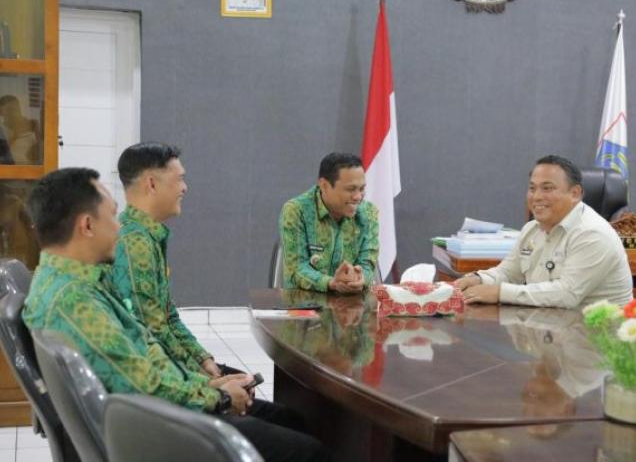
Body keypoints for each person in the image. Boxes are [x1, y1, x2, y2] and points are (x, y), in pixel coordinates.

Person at [23, 168, 329, 462]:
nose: (119, 227)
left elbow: (143, 363)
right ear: (87, 226)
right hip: (155, 433)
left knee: (290, 420)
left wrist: (209, 385)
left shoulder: (64, 281)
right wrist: (219, 398)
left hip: (150, 418)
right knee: (307, 450)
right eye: (113, 217)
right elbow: (144, 387)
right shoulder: (76, 302)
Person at [111, 143, 227, 377]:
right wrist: (204, 379)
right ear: (151, 184)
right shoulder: (134, 242)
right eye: (179, 179)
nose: (185, 188)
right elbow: (150, 331)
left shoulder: (146, 234)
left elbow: (168, 316)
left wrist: (203, 360)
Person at [456, 155, 632, 307]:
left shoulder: (592, 234)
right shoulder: (531, 229)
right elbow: (508, 273)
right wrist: (477, 279)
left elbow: (567, 294)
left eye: (547, 188)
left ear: (575, 193)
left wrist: (500, 293)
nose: (537, 196)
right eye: (532, 188)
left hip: (597, 332)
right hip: (551, 326)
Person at [279, 152, 379, 293]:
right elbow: (296, 268)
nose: (358, 197)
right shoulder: (296, 211)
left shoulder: (368, 213)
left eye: (362, 189)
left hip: (353, 301)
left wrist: (360, 278)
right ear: (324, 185)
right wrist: (331, 283)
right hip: (305, 302)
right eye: (350, 189)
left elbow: (367, 264)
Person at [0, 94, 41, 164]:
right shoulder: (1, 132)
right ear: (1, 112)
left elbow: (38, 157)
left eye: (17, 109)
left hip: (30, 169)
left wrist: (37, 133)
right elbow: (2, 156)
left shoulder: (29, 129)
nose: (15, 113)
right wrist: (16, 133)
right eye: (10, 110)